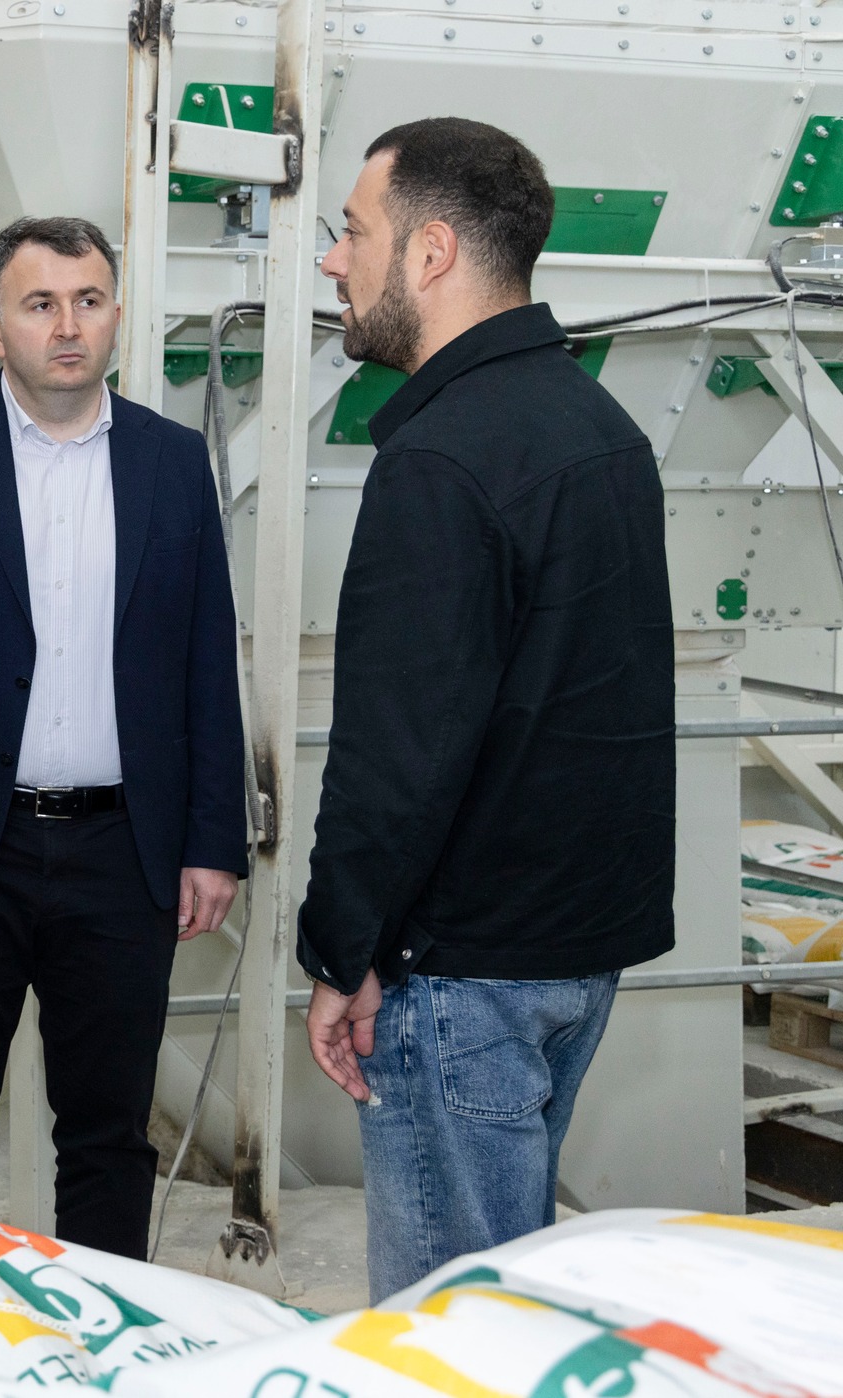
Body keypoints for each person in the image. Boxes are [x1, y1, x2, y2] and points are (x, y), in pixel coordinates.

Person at [298, 118, 675, 1300]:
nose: (332, 261)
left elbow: (395, 753)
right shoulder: (598, 427)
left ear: (429, 251)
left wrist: (340, 952)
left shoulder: (441, 458)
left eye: (351, 231)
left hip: (459, 978)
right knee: (512, 1303)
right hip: (572, 957)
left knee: (447, 1330)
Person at [0, 216, 249, 1258]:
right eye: (40, 304)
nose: (67, 326)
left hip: (122, 855)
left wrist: (212, 840)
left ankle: (101, 1329)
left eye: (87, 301)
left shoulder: (171, 461)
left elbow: (203, 656)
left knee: (108, 1132)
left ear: (116, 316)